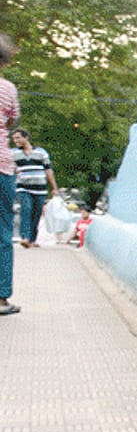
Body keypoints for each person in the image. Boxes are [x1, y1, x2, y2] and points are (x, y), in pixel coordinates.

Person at [11, 127, 58, 247]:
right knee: (26, 210)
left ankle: (31, 240)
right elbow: (9, 169)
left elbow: (48, 170)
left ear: (26, 138)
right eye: (14, 139)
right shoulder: (14, 153)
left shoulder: (41, 153)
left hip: (40, 189)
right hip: (23, 187)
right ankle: (25, 237)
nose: (15, 141)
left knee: (36, 214)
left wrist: (54, 187)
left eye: (18, 138)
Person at [0, 33, 18, 316]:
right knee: (3, 233)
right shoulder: (7, 88)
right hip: (1, 166)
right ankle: (1, 299)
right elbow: (11, 119)